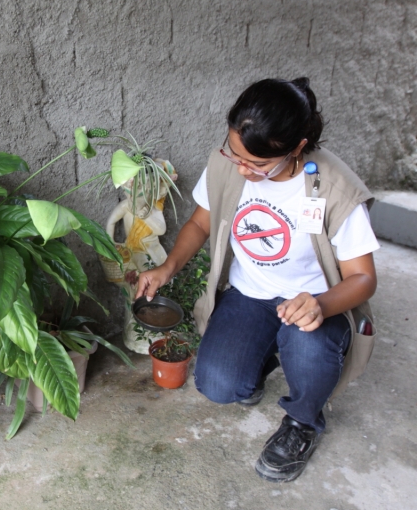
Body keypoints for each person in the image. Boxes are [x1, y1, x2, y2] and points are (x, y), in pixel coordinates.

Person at [135, 77, 379, 483]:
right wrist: (167, 267)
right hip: (250, 294)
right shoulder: (227, 164)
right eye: (235, 155)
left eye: (259, 165)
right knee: (218, 384)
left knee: (308, 345)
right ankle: (259, 358)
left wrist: (320, 305)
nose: (244, 170)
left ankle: (303, 422)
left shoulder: (333, 187)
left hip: (313, 302)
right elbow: (200, 223)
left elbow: (363, 279)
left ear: (298, 147)